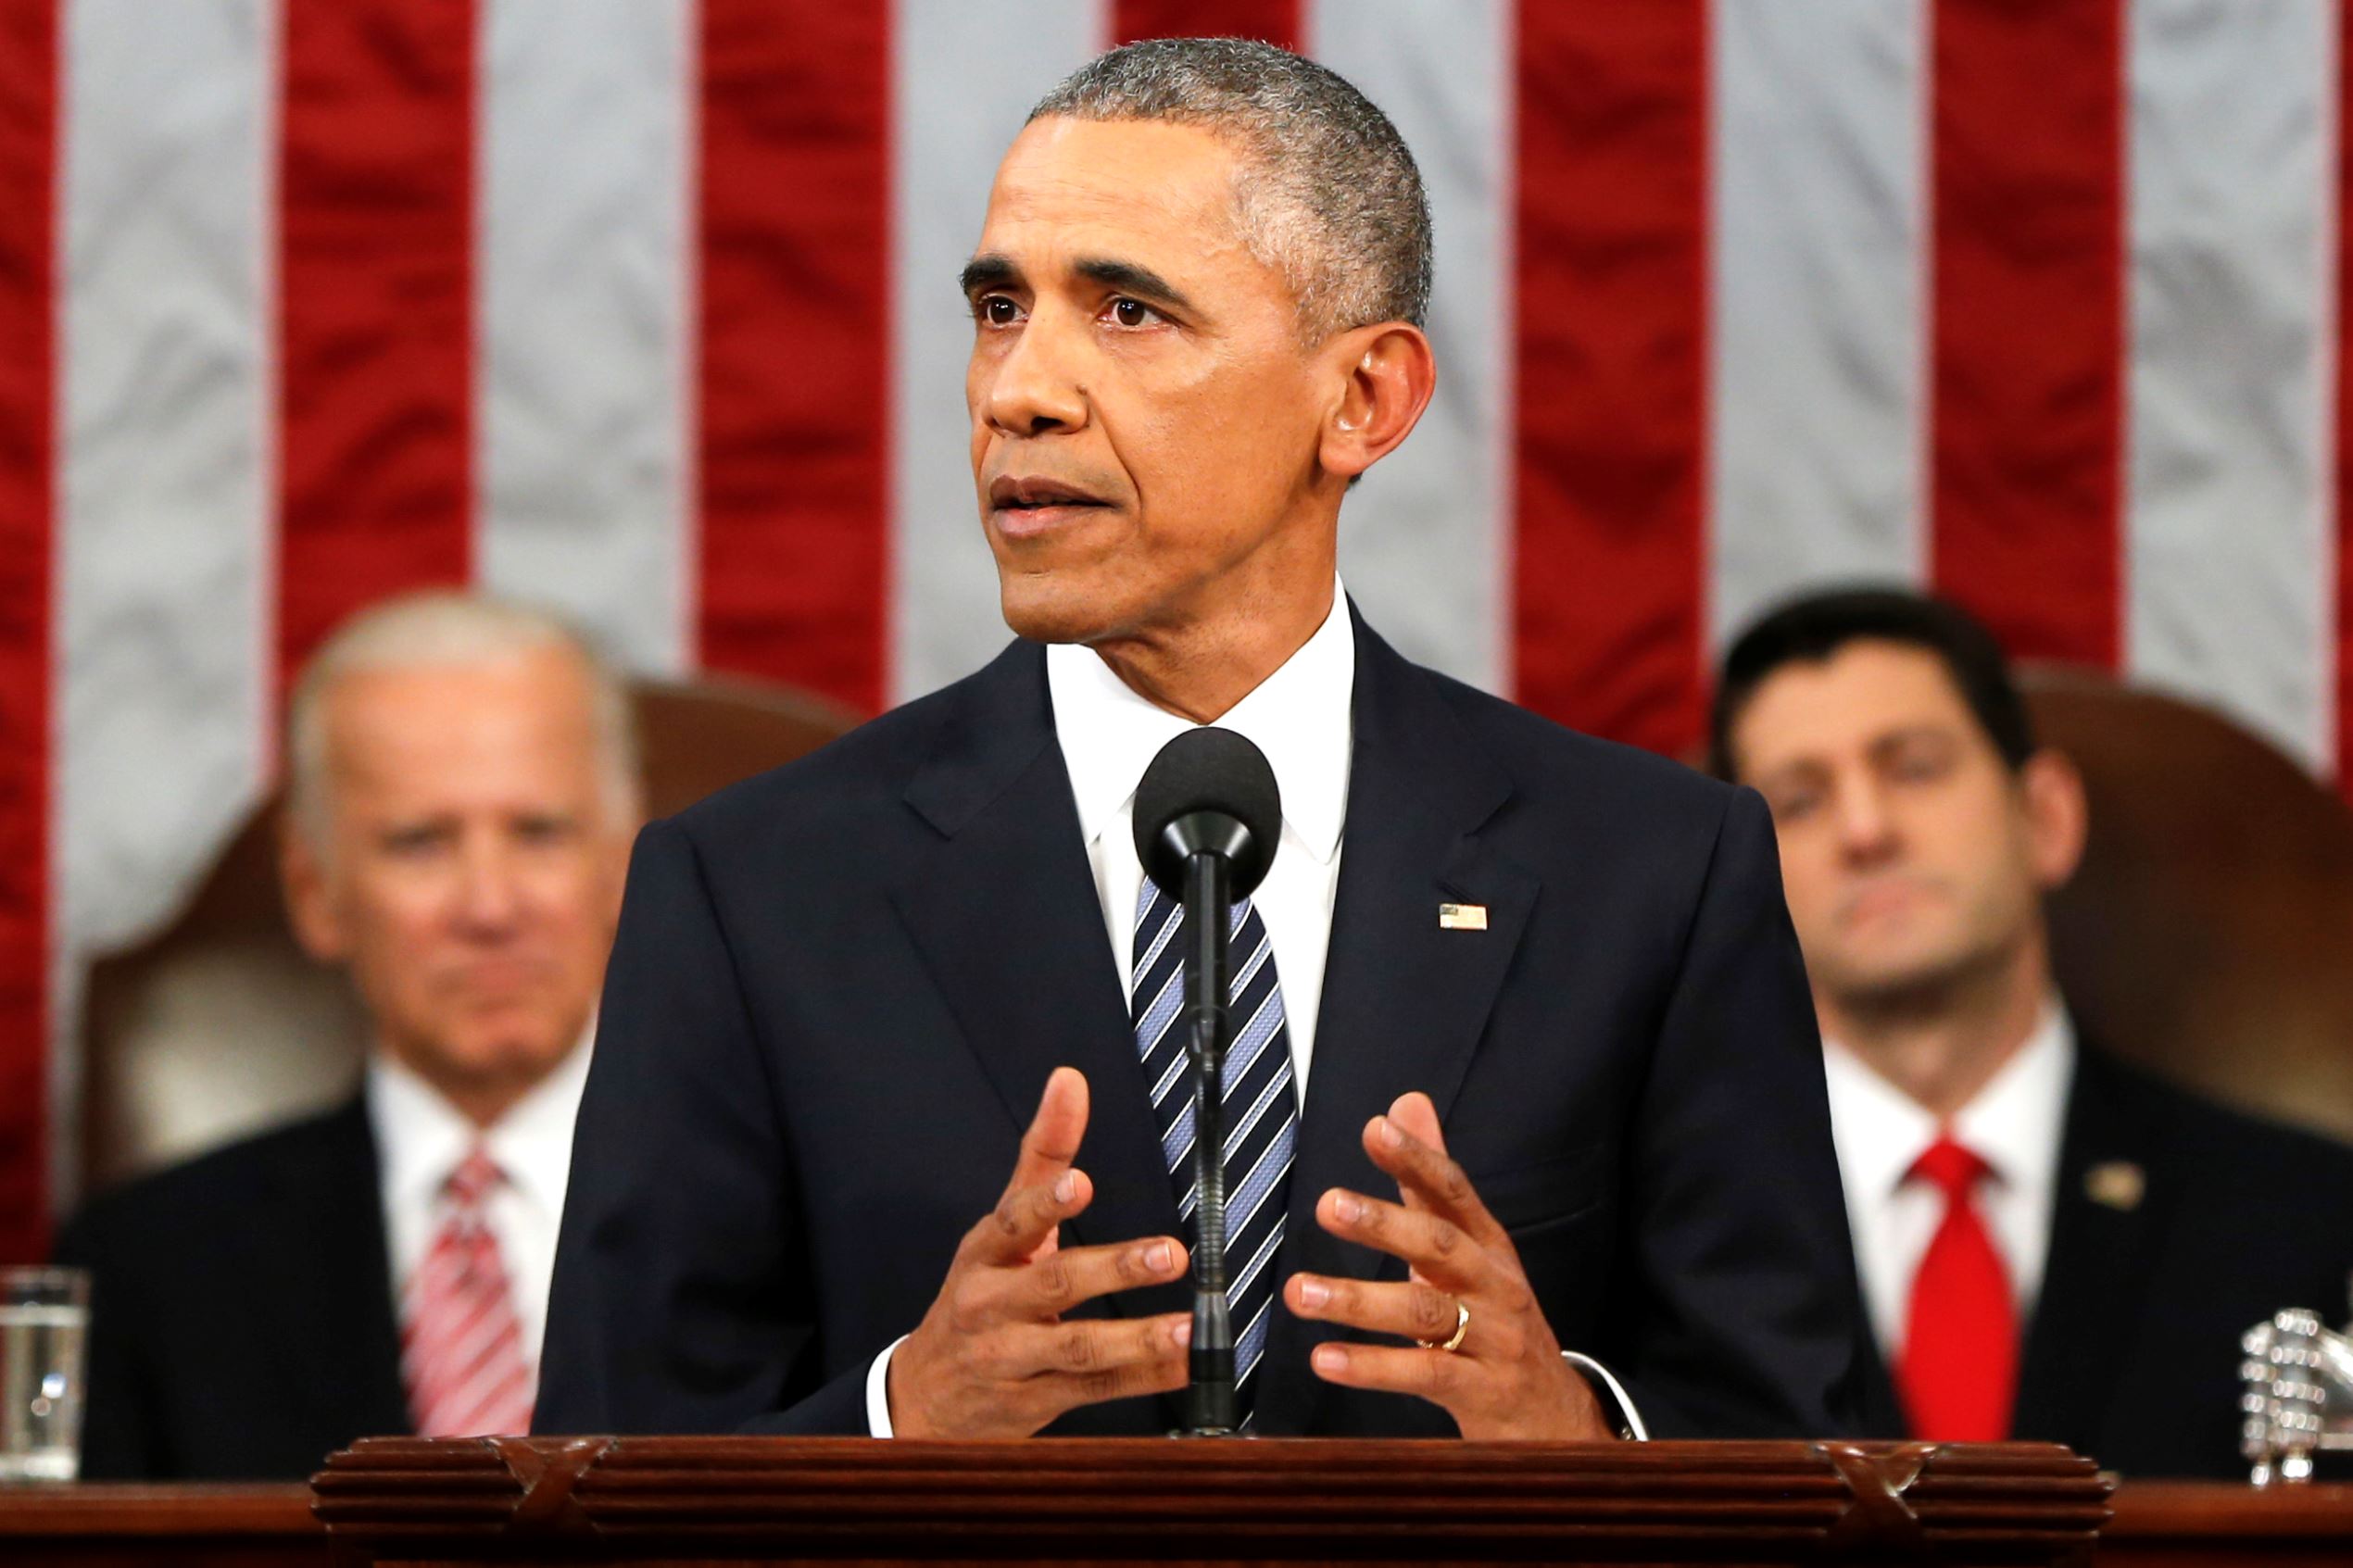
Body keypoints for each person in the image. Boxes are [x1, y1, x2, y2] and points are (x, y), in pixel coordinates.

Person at [537, 37, 1860, 1443]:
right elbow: (597, 1488)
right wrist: (898, 1419)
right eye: (999, 307)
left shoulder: (1653, 874)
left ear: (1364, 401)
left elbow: (1814, 1447)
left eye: (1126, 312)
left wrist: (1578, 1433)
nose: (1017, 393)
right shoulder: (750, 893)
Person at [1711, 585, 2353, 1477]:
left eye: (1915, 767)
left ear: (2044, 816)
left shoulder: (2309, 1218)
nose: (1865, 831)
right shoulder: (1671, 1244)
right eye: (1798, 800)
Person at [56, 594, 641, 1479]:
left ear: (621, 864)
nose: (490, 907)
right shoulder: (147, 1270)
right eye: (419, 843)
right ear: (314, 890)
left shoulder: (781, 1223)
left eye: (538, 832)